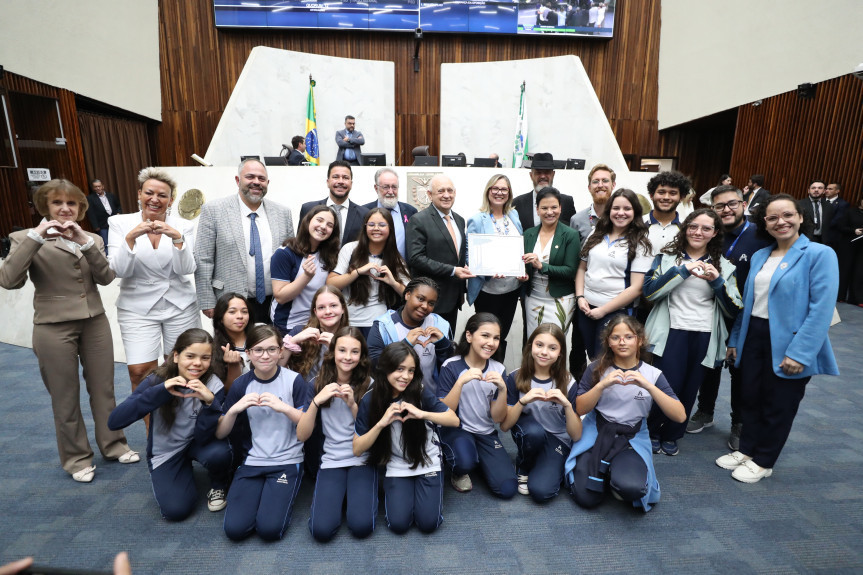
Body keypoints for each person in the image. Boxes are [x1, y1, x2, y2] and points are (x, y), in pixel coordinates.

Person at [0, 179, 136, 483]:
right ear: (45, 207)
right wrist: (36, 236)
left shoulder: (91, 238)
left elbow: (105, 277)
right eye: (57, 203)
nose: (65, 209)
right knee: (65, 396)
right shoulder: (25, 238)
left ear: (81, 208)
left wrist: (86, 244)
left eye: (71, 204)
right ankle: (76, 458)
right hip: (52, 326)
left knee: (104, 390)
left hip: (94, 321)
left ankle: (113, 444)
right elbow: (9, 280)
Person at [717, 194, 839, 483]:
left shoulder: (820, 254)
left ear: (800, 217)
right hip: (753, 335)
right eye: (772, 218)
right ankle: (747, 449)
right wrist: (735, 339)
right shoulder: (761, 255)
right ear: (765, 223)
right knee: (750, 397)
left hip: (790, 341)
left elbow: (821, 310)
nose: (780, 222)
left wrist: (800, 353)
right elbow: (748, 303)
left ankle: (764, 459)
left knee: (778, 403)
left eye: (787, 215)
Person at [642, 209, 742, 456]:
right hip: (671, 332)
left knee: (689, 388)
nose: (698, 232)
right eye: (693, 226)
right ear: (685, 228)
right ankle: (653, 431)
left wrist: (717, 281)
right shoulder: (666, 258)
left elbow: (733, 309)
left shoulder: (725, 266)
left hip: (704, 335)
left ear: (715, 233)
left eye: (706, 228)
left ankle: (673, 435)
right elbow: (650, 293)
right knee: (667, 385)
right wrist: (683, 271)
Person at [108, 329, 232, 520]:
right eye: (190, 356)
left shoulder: (213, 384)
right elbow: (115, 421)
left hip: (196, 441)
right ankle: (180, 472)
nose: (197, 363)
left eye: (205, 358)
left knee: (220, 453)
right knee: (176, 511)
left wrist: (210, 404)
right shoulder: (157, 380)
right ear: (175, 356)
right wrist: (161, 391)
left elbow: (204, 435)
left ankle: (218, 483)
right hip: (167, 451)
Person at [566, 316, 685, 511]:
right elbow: (580, 409)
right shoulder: (596, 368)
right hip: (597, 432)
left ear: (639, 340)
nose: (622, 342)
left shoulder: (652, 374)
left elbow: (680, 416)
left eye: (628, 337)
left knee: (632, 489)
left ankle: (615, 474)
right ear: (608, 342)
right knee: (586, 499)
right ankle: (607, 473)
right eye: (616, 337)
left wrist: (648, 385)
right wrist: (602, 385)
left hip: (632, 436)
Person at [687, 185, 772, 449]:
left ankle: (739, 422)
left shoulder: (761, 235)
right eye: (719, 206)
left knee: (739, 369)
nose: (726, 209)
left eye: (732, 203)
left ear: (744, 204)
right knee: (709, 363)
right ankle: (705, 411)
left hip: (745, 313)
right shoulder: (710, 235)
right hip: (711, 310)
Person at [108, 167, 200, 401]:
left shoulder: (184, 225)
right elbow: (118, 270)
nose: (155, 199)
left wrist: (177, 237)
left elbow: (186, 269)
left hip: (179, 304)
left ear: (170, 200)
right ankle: (152, 432)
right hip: (137, 307)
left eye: (162, 195)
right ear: (139, 194)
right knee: (139, 372)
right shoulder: (120, 223)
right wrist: (131, 237)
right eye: (149, 193)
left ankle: (180, 429)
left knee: (183, 368)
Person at [217, 325, 313, 540]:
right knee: (235, 530)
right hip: (253, 462)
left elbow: (308, 425)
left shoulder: (294, 380)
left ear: (281, 352)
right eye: (258, 350)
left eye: (271, 349)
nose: (265, 355)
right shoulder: (241, 384)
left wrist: (284, 408)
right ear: (248, 353)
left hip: (287, 461)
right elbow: (221, 433)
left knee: (269, 530)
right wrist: (234, 409)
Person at [352, 342, 460, 534]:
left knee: (428, 524)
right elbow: (357, 448)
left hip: (427, 460)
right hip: (397, 464)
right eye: (400, 369)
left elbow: (453, 420)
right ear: (385, 367)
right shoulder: (370, 399)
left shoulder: (419, 391)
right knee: (398, 525)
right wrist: (381, 423)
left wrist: (422, 414)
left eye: (411, 370)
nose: (406, 376)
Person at [297, 327, 375, 542]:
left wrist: (352, 405)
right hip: (332, 459)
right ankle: (340, 495)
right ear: (332, 353)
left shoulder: (370, 386)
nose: (348, 357)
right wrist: (315, 402)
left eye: (354, 352)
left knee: (361, 527)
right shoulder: (315, 384)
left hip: (362, 459)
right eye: (342, 350)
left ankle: (350, 495)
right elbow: (302, 435)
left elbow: (373, 434)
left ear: (362, 356)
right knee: (320, 531)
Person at [194, 158, 295, 323]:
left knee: (272, 347)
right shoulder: (214, 211)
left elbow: (291, 257)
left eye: (261, 179)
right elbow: (203, 258)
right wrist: (207, 301)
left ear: (267, 183)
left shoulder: (282, 213)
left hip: (275, 302)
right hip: (229, 302)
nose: (256, 182)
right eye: (250, 177)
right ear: (237, 180)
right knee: (233, 348)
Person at [438, 313, 517, 497]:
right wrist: (459, 383)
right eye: (485, 335)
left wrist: (503, 390)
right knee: (464, 462)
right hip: (458, 429)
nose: (491, 342)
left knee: (507, 489)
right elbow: (444, 412)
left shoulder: (499, 369)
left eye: (496, 338)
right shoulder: (451, 366)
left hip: (486, 433)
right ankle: (462, 466)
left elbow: (497, 418)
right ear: (469, 336)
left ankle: (480, 458)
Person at [501, 324, 581, 502]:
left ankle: (550, 464)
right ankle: (524, 465)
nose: (544, 352)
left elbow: (576, 435)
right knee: (533, 432)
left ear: (560, 352)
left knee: (540, 492)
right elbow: (505, 426)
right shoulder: (515, 377)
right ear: (530, 347)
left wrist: (567, 405)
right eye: (539, 345)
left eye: (552, 348)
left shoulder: (569, 382)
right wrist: (523, 401)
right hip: (531, 433)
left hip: (558, 439)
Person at [575, 188, 653, 359]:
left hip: (616, 312)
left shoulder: (641, 243)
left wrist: (603, 310)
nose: (621, 213)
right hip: (586, 308)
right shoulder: (595, 234)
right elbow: (582, 268)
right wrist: (580, 297)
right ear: (609, 210)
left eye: (627, 209)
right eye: (616, 208)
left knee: (608, 360)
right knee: (594, 358)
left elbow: (637, 288)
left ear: (636, 212)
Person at [466, 174, 524, 362]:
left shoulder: (513, 215)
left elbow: (519, 247)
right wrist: (487, 270)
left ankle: (497, 373)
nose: (499, 192)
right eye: (495, 188)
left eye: (504, 189)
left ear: (509, 193)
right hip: (487, 290)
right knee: (484, 336)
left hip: (511, 289)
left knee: (501, 335)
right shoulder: (477, 219)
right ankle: (479, 372)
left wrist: (521, 270)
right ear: (488, 191)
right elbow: (470, 255)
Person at [328, 208, 410, 338]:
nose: (376, 228)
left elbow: (409, 294)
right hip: (348, 320)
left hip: (378, 322)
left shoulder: (395, 257)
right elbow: (331, 284)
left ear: (390, 229)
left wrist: (393, 283)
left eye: (382, 225)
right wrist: (358, 272)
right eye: (371, 225)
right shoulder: (350, 248)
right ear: (365, 228)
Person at [406, 174, 473, 331]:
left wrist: (461, 291)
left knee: (447, 346)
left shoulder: (460, 220)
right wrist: (452, 271)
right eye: (440, 191)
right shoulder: (418, 220)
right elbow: (416, 258)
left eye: (450, 190)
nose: (446, 195)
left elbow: (458, 257)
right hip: (429, 299)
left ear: (455, 193)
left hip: (454, 298)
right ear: (430, 194)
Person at [367, 277, 453, 395]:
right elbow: (374, 365)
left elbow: (450, 368)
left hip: (429, 400)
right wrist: (405, 345)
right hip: (391, 400)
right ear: (407, 295)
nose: (425, 306)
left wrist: (443, 345)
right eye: (420, 299)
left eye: (431, 303)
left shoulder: (440, 325)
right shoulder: (383, 325)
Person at [270, 205, 340, 334]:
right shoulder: (285, 253)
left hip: (319, 324)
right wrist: (306, 276)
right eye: (319, 220)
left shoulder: (330, 255)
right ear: (308, 221)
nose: (324, 226)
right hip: (288, 325)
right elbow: (281, 297)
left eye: (330, 225)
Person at [522, 187, 581, 338]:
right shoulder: (528, 234)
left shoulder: (570, 235)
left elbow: (570, 271)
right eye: (544, 208)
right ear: (537, 209)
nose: (549, 212)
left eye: (554, 207)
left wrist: (542, 266)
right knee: (533, 343)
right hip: (533, 299)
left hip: (560, 300)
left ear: (560, 208)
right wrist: (522, 274)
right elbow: (523, 265)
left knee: (554, 344)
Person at [282, 285, 350, 383]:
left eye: (333, 305)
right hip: (303, 395)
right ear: (315, 311)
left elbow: (357, 376)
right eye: (321, 307)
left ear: (343, 308)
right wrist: (293, 341)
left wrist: (337, 348)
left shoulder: (351, 337)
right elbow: (276, 366)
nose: (328, 311)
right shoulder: (299, 331)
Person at [299, 160, 369, 244]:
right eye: (335, 177)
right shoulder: (308, 209)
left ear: (351, 183)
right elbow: (300, 241)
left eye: (345, 178)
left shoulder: (364, 214)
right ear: (328, 182)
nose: (341, 181)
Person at [362, 167, 418, 259]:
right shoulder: (364, 211)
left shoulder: (410, 211)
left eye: (394, 187)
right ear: (376, 188)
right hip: (373, 269)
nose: (391, 191)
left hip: (403, 270)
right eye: (386, 187)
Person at [512, 152, 576, 231]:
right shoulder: (518, 203)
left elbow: (572, 232)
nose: (542, 176)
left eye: (546, 172)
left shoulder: (567, 202)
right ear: (531, 175)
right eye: (538, 172)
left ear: (553, 174)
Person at [212, 292, 254, 390]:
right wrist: (233, 366)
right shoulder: (213, 348)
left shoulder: (261, 332)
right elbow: (228, 391)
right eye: (232, 312)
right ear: (221, 318)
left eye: (244, 311)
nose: (240, 316)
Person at [644, 171, 688, 253]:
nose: (666, 197)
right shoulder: (638, 223)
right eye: (661, 192)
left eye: (673, 193)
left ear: (681, 197)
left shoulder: (687, 227)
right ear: (651, 195)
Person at [570, 163, 615, 242]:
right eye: (595, 181)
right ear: (589, 187)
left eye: (605, 181)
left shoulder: (620, 218)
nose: (600, 185)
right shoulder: (577, 220)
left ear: (613, 185)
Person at [825, 182, 851, 301]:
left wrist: (821, 225)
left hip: (832, 239)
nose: (827, 191)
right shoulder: (821, 202)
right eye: (827, 188)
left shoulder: (842, 204)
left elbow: (837, 221)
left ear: (837, 191)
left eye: (830, 189)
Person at [837, 196, 863, 306]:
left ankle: (856, 299)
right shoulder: (850, 212)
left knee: (859, 272)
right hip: (849, 244)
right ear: (860, 200)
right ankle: (840, 296)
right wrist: (854, 230)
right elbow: (841, 227)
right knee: (845, 270)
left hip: (862, 247)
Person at [86, 178, 122, 248]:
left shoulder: (111, 195)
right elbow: (91, 213)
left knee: (116, 241)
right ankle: (108, 258)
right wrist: (95, 226)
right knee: (106, 244)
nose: (98, 188)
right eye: (96, 187)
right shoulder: (90, 198)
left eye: (99, 186)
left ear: (103, 186)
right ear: (93, 188)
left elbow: (118, 206)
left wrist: (119, 212)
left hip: (114, 223)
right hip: (102, 226)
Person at [798, 179, 834, 244]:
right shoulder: (800, 204)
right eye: (813, 188)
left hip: (822, 240)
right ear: (808, 190)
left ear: (824, 191)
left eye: (820, 188)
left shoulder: (829, 206)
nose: (816, 190)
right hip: (803, 239)